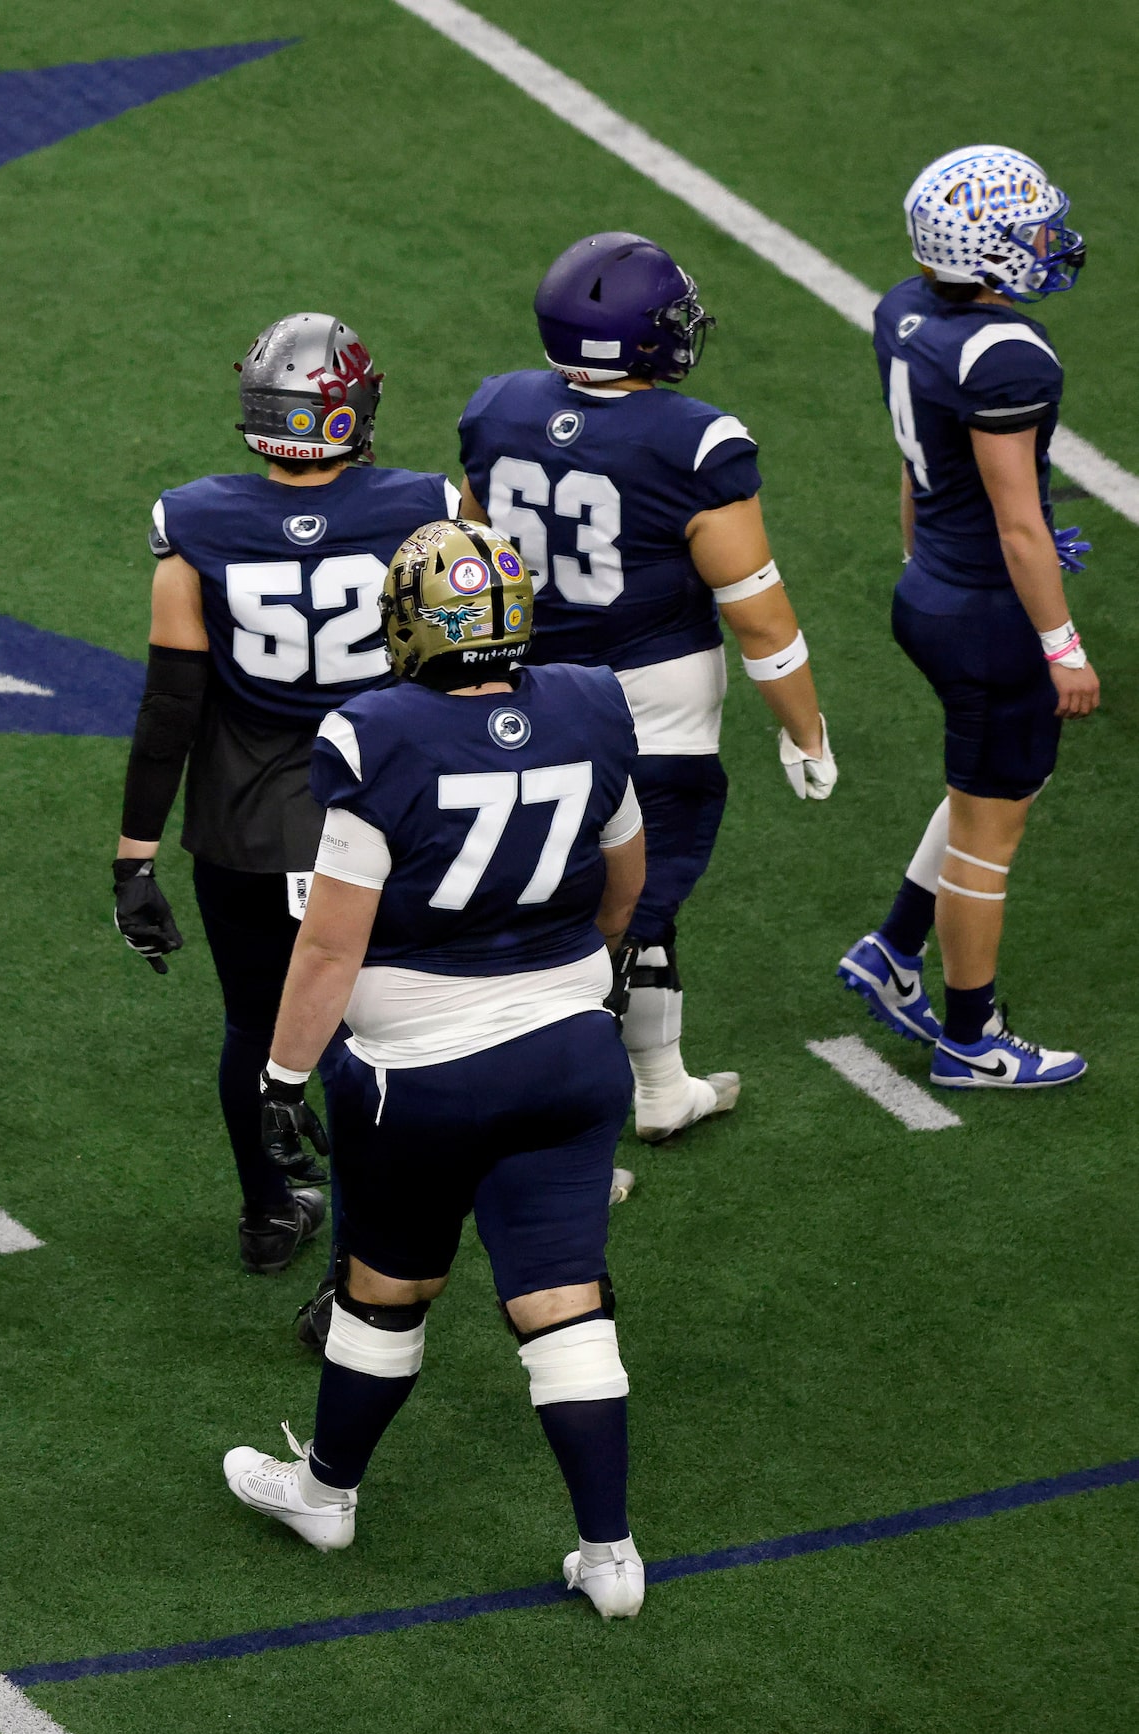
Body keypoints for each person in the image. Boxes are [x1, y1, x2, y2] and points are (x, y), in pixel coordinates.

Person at [218, 519, 655, 1622]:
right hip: (570, 1054)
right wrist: (580, 983)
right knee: (564, 1300)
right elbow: (627, 877)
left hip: (422, 1073)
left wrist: (278, 1079)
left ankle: (327, 1493)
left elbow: (329, 944)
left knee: (388, 1286)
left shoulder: (379, 735)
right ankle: (611, 1557)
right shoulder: (591, 704)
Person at [459, 232, 838, 1145]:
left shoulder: (498, 408)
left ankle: (661, 1085)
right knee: (617, 915)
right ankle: (551, 1131)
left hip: (527, 693)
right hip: (648, 709)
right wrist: (805, 731)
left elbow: (467, 563)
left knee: (599, 903)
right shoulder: (694, 441)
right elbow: (758, 616)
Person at [115, 312, 461, 1276]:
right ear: (346, 411)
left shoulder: (196, 522)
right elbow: (471, 660)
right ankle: (367, 1248)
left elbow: (171, 705)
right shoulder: (427, 507)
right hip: (382, 809)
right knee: (370, 1027)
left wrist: (134, 857)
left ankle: (268, 1214)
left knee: (253, 1024)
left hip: (244, 823)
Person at [836, 145, 1094, 1088]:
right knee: (994, 833)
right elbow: (1022, 525)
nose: (1048, 241)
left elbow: (917, 472)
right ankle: (969, 1039)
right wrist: (1060, 647)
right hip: (987, 613)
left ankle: (893, 949)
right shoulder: (1006, 353)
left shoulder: (903, 309)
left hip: (936, 590)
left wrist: (923, 565)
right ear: (982, 246)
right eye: (1028, 229)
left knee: (986, 791)